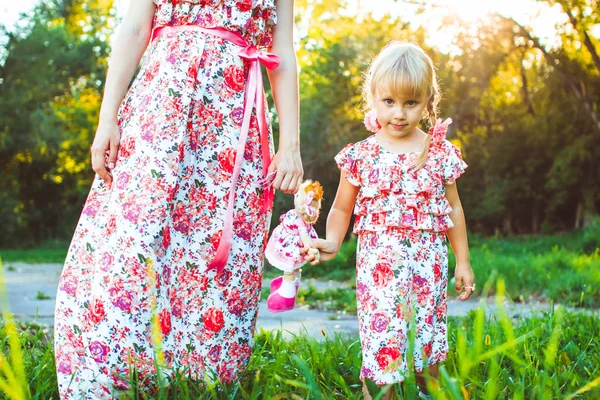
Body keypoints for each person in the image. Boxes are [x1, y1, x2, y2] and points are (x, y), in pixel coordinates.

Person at [53, 0, 303, 397]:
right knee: (134, 236)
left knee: (218, 251)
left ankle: (199, 381)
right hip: (160, 105)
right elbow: (135, 30)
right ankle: (110, 373)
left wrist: (291, 143)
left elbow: (283, 51)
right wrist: (107, 119)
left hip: (233, 118)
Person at [305, 41, 475, 399]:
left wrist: (463, 260)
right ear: (373, 98)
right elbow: (341, 209)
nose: (399, 113)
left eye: (410, 103)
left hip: (427, 268)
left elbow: (454, 208)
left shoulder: (440, 153)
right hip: (378, 271)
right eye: (389, 102)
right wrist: (333, 241)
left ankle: (428, 391)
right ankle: (378, 393)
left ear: (427, 102)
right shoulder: (361, 155)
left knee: (426, 342)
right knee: (383, 339)